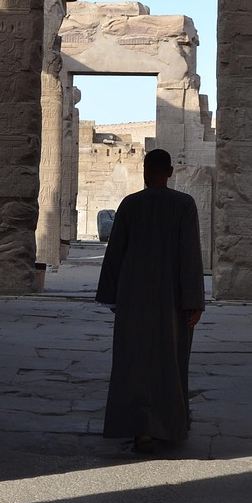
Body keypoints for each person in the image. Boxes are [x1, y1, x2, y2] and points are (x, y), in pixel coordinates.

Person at [96, 149, 205, 455]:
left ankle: (139, 425)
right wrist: (194, 299)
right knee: (171, 359)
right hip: (172, 295)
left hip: (134, 293)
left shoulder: (131, 204)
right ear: (170, 172)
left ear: (145, 170)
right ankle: (169, 423)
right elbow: (190, 255)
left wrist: (112, 294)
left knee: (134, 360)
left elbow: (114, 253)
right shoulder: (184, 205)